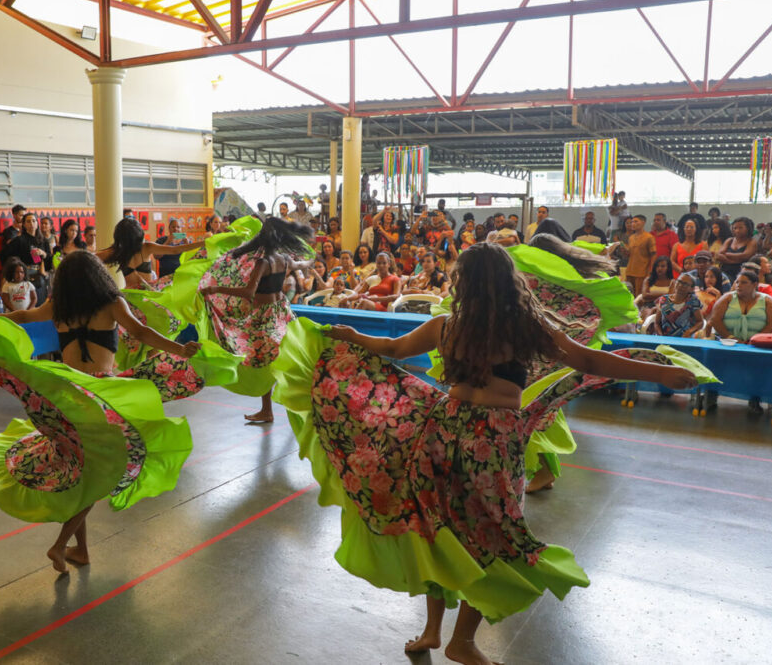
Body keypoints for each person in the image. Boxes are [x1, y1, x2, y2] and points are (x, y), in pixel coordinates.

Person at [276, 243, 698, 665]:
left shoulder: (446, 325)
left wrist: (352, 338)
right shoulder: (527, 328)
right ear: (508, 282)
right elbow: (589, 360)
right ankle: (460, 641)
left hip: (443, 431)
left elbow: (391, 349)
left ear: (463, 282)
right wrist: (662, 373)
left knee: (433, 528)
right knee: (490, 536)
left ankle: (432, 632)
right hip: (492, 443)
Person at [0, 250, 207, 573]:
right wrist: (180, 350)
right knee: (104, 475)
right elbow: (141, 333)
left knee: (81, 470)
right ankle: (60, 545)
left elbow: (24, 317)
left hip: (66, 401)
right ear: (97, 276)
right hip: (101, 401)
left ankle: (81, 550)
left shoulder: (59, 308)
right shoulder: (113, 304)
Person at [200, 218, 315, 423]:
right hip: (281, 312)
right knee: (273, 361)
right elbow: (302, 263)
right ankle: (272, 408)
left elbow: (247, 292)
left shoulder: (263, 262)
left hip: (264, 317)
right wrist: (310, 261)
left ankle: (274, 407)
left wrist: (215, 289)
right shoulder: (284, 259)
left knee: (262, 362)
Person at [100, 218, 204, 290]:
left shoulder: (118, 251)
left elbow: (90, 258)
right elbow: (175, 250)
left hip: (135, 296)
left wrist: (203, 243)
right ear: (139, 233)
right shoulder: (145, 247)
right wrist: (204, 243)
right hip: (144, 296)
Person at [709, 270, 772, 345]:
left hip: (758, 345)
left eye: (743, 282)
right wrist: (731, 338)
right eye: (737, 282)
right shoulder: (727, 298)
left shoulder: (767, 300)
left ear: (755, 284)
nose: (738, 285)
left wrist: (755, 340)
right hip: (727, 343)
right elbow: (715, 320)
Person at [2, 213, 51, 301]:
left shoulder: (43, 240)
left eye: (34, 221)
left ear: (37, 223)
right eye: (28, 221)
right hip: (24, 274)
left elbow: (49, 260)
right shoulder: (19, 240)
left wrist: (43, 254)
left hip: (40, 274)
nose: (31, 223)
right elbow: (5, 255)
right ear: (24, 224)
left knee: (41, 301)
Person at [622, 215, 656, 294]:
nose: (633, 224)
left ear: (643, 223)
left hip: (642, 272)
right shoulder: (631, 237)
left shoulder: (649, 237)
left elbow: (653, 254)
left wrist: (651, 270)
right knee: (629, 294)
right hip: (630, 271)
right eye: (632, 222)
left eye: (636, 221)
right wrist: (624, 251)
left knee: (639, 295)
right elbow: (631, 254)